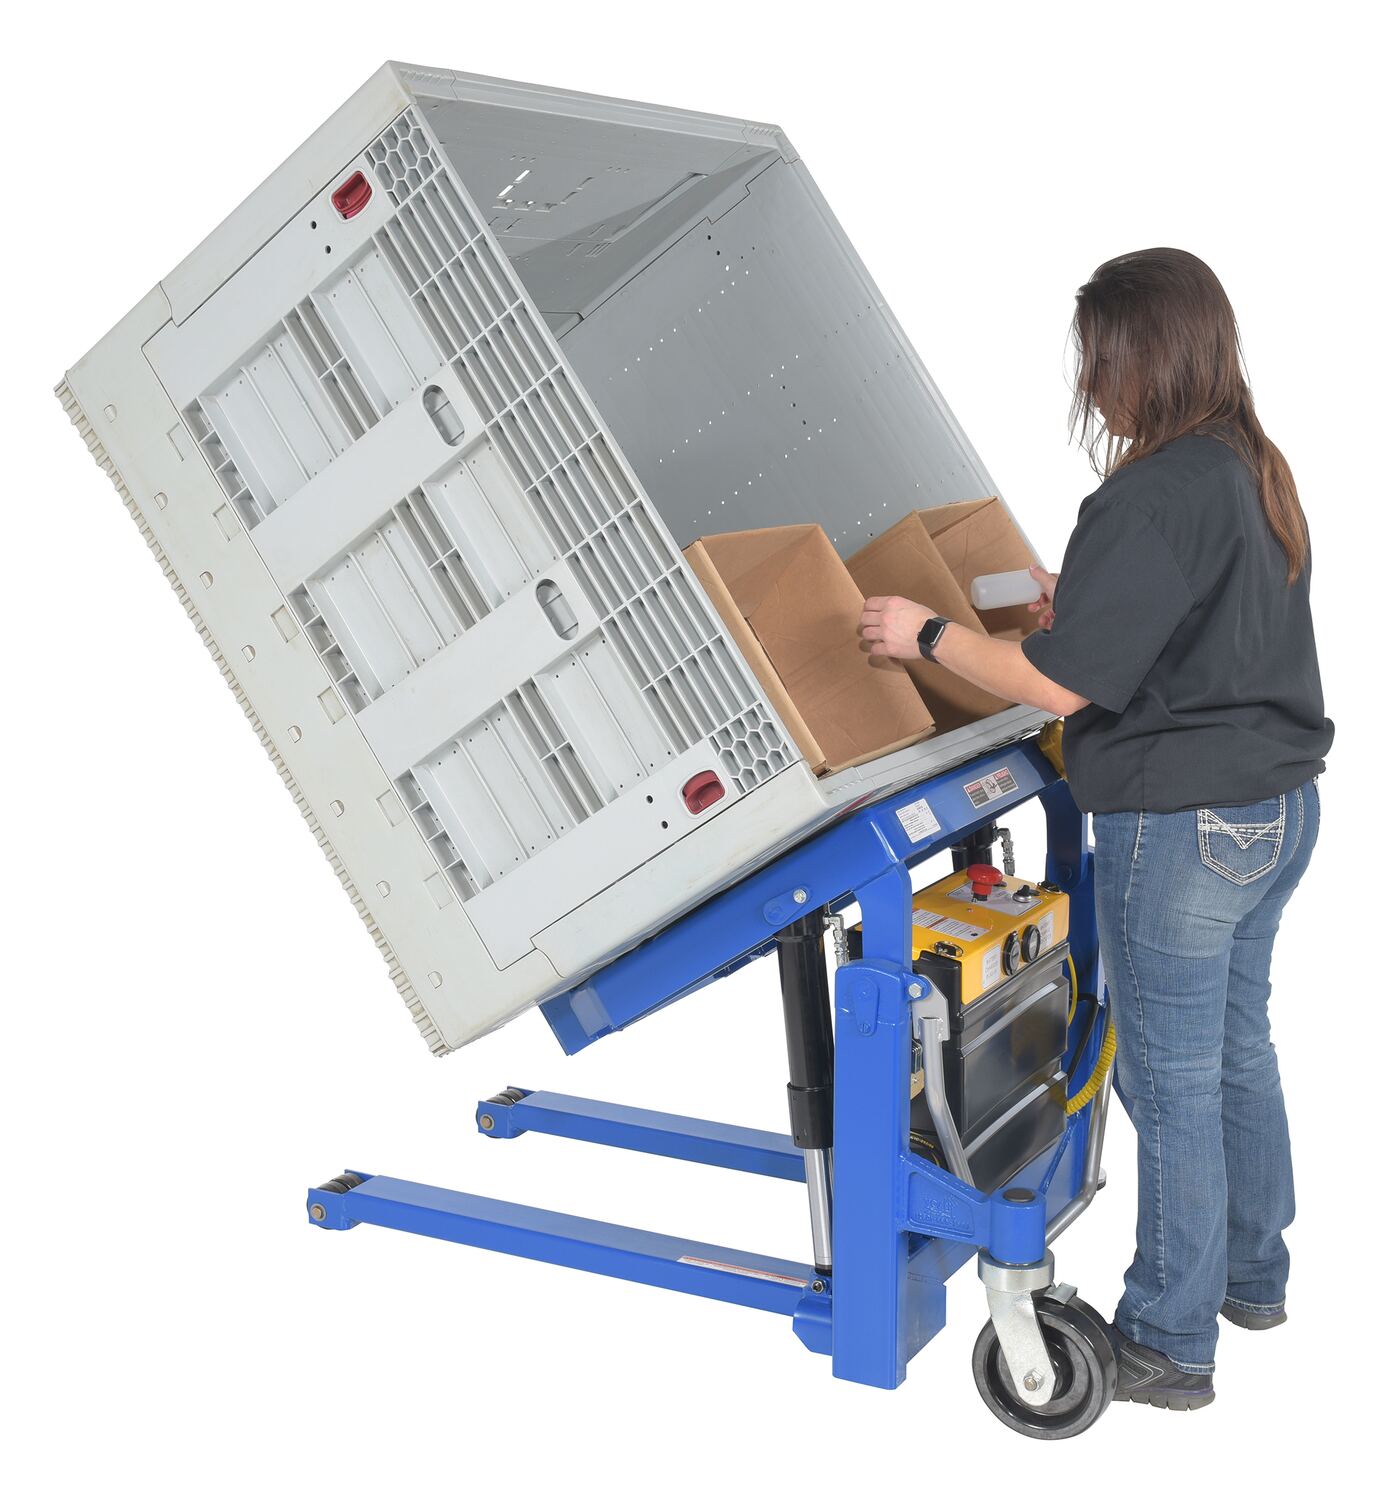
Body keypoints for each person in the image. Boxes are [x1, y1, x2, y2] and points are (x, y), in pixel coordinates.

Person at [859, 248, 1332, 1412]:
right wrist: (1081, 610)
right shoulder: (1245, 467)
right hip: (1272, 812)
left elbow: (1057, 688)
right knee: (1234, 1049)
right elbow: (1188, 629)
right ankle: (1250, 1277)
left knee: (1169, 1084)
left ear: (1144, 357)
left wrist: (924, 636)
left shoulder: (1150, 490)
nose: (1089, 384)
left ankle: (1167, 1341)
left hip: (1181, 827)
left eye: (1099, 359)